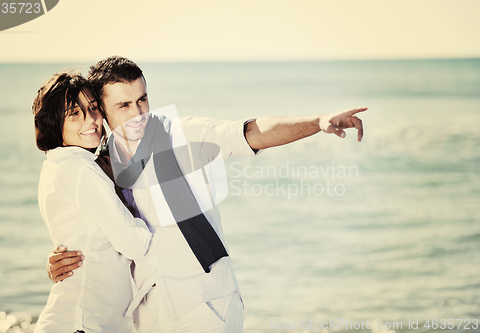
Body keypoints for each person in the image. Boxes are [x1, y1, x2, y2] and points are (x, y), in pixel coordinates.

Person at [47, 56, 366, 333]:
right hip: (149, 314)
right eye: (124, 105)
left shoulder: (180, 134)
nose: (138, 113)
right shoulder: (100, 164)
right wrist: (58, 258)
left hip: (206, 305)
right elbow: (90, 223)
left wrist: (318, 122)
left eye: (142, 99)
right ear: (101, 111)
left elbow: (251, 132)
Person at [32, 70, 152, 333]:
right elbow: (135, 244)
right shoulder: (79, 168)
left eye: (93, 107)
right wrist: (121, 195)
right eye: (74, 113)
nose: (91, 120)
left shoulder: (57, 165)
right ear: (54, 122)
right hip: (82, 324)